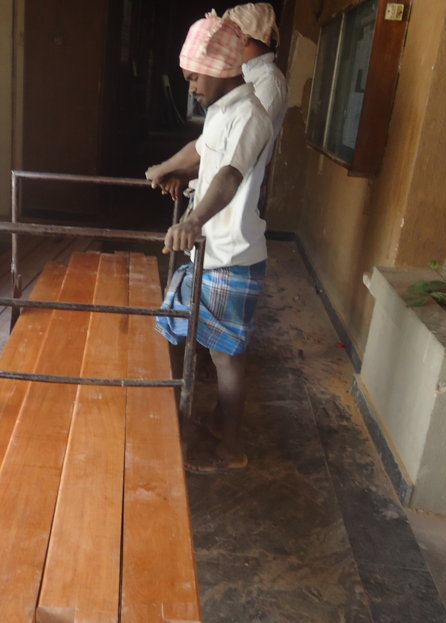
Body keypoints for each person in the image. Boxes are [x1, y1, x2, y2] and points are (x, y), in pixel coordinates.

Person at [146, 12, 273, 474]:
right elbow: (202, 152)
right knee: (179, 330)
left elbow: (229, 176)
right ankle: (205, 420)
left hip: (231, 254)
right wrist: (169, 169)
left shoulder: (250, 115)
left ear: (221, 70)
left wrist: (193, 221)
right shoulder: (222, 110)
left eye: (195, 77)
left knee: (226, 356)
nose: (191, 86)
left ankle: (231, 449)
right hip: (211, 251)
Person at [224, 2, 288, 162]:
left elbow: (243, 142)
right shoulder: (247, 74)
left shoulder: (270, 80)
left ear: (244, 38)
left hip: (237, 176)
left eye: (228, 36)